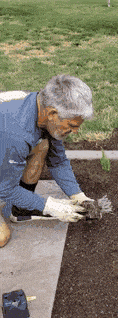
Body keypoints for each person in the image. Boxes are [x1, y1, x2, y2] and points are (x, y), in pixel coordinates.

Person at [0, 74, 95, 248]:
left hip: (5, 145)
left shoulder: (42, 108)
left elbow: (58, 161)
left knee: (43, 144)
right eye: (72, 126)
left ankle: (21, 210)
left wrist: (78, 196)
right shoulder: (16, 133)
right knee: (1, 237)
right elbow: (5, 190)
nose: (75, 131)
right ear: (52, 114)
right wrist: (49, 206)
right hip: (6, 144)